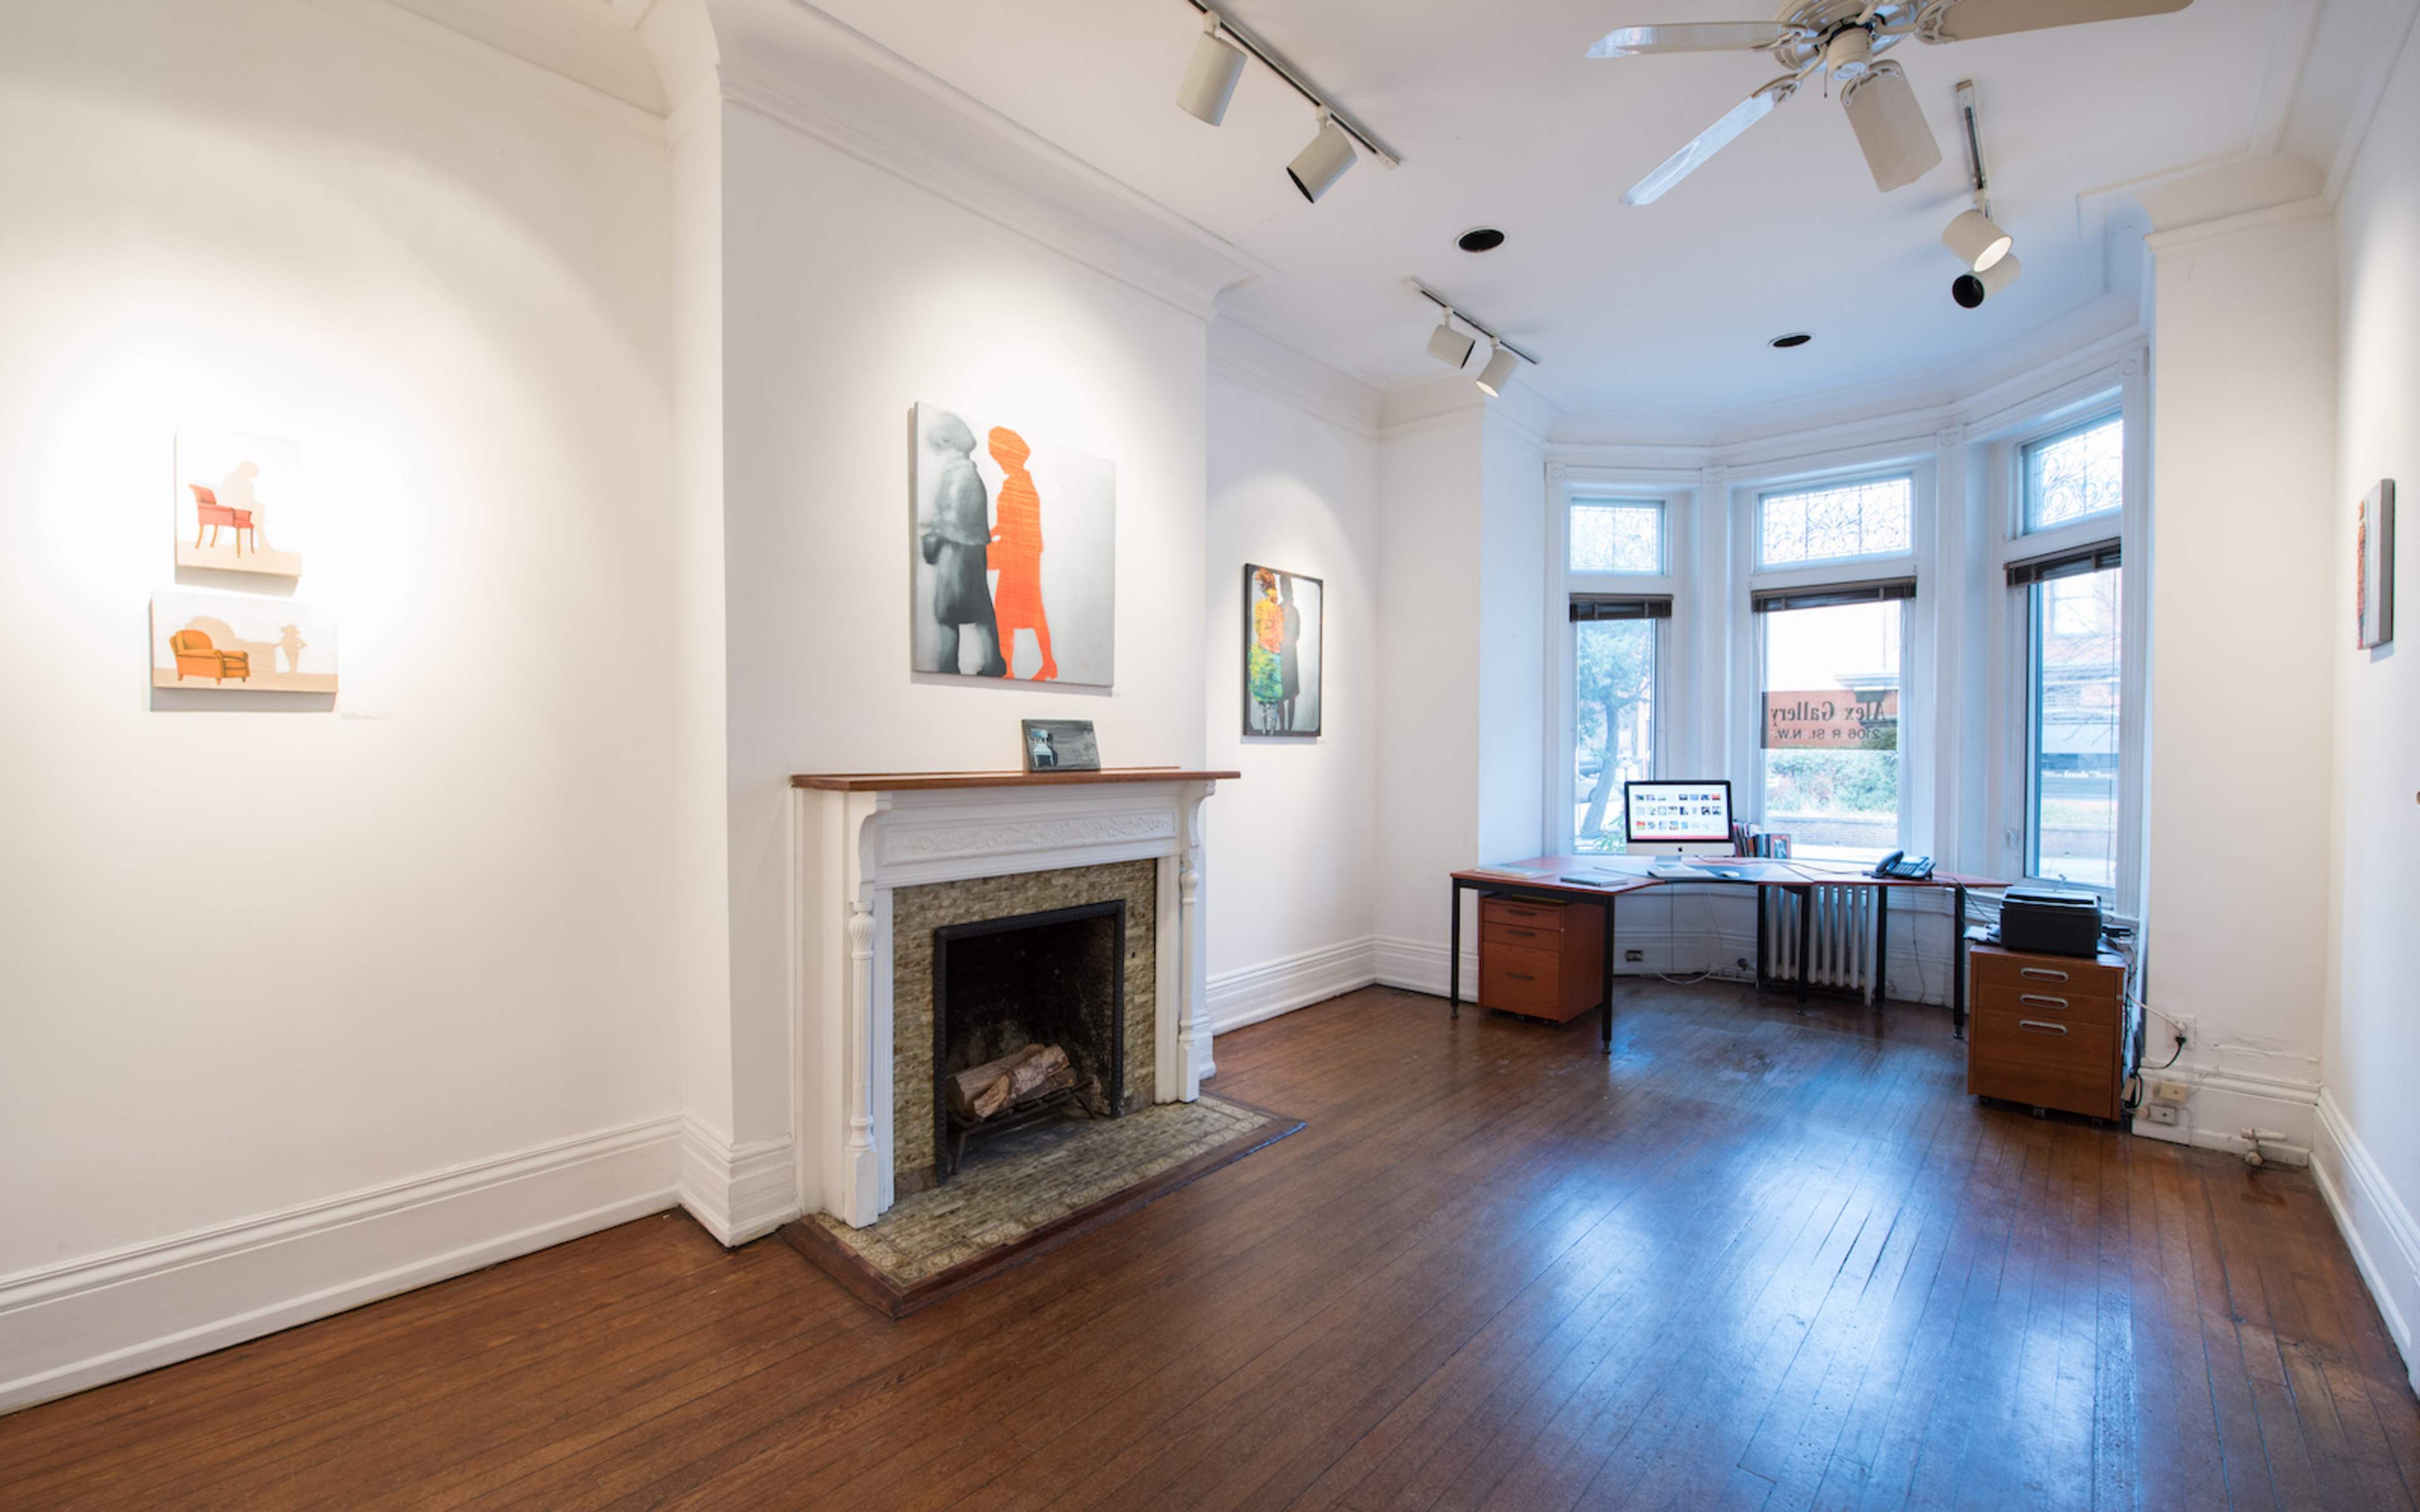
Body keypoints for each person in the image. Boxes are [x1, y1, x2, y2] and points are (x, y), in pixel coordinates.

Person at [918, 411, 1006, 677]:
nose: (940, 453)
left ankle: (957, 666)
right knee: (974, 613)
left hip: (958, 554)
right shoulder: (964, 473)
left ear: (951, 443)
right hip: (966, 552)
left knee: (951, 614)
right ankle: (988, 663)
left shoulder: (962, 475)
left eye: (942, 445)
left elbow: (954, 516)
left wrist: (933, 530)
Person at [986, 427, 1057, 681]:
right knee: (1025, 612)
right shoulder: (1021, 483)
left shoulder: (1019, 485)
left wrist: (995, 540)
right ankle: (1036, 664)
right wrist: (994, 532)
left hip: (1019, 559)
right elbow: (1012, 523)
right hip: (1022, 557)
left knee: (1014, 613)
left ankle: (1019, 666)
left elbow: (1019, 525)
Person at [1248, 568, 1284, 733]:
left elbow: (1278, 633)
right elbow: (1261, 629)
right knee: (1265, 698)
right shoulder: (1266, 607)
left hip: (1269, 653)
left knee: (1268, 698)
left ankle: (1268, 732)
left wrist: (1268, 638)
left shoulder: (1272, 608)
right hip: (1265, 652)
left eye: (1260, 582)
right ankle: (1266, 732)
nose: (1258, 586)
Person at [1277, 575, 1303, 733]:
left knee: (1292, 695)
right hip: (1281, 655)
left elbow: (1297, 633)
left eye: (1287, 587)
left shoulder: (1294, 611)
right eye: (1284, 587)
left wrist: (1289, 642)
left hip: (1290, 655)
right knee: (1280, 696)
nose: (1286, 590)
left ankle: (1290, 729)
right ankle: (1282, 729)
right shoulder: (1278, 610)